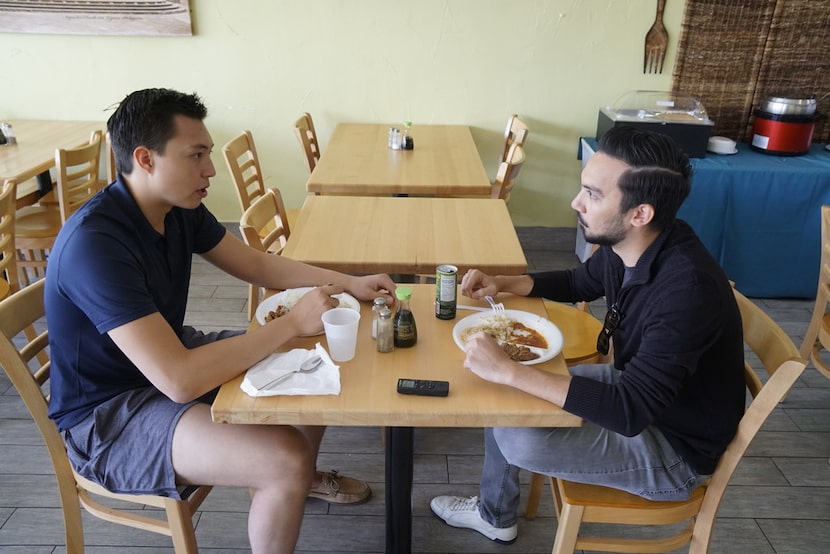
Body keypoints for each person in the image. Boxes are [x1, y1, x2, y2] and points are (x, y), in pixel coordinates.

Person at [45, 88, 397, 553]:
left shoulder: (176, 208)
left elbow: (260, 266)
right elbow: (178, 380)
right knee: (285, 456)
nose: (210, 169)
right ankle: (286, 476)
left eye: (208, 154)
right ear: (146, 158)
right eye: (196, 155)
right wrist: (290, 323)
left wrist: (347, 283)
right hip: (108, 418)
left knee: (313, 366)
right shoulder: (96, 244)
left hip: (170, 361)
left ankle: (285, 484)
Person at [430, 126, 745, 543]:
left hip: (674, 449)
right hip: (642, 397)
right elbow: (578, 282)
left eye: (593, 195)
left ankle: (494, 512)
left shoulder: (687, 290)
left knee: (515, 433)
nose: (575, 203)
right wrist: (504, 282)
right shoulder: (637, 243)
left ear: (640, 213)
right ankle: (495, 514)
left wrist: (509, 370)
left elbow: (629, 412)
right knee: (501, 398)